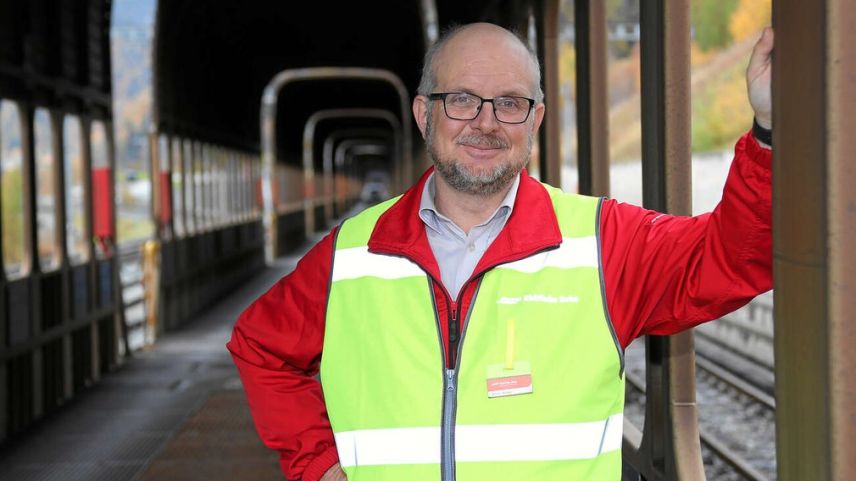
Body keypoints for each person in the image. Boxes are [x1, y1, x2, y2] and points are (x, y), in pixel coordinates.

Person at [227, 22, 774, 481]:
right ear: (424, 115)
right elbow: (259, 347)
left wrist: (769, 132)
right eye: (461, 99)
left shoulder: (603, 242)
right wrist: (320, 464)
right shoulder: (352, 253)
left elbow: (732, 256)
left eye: (510, 103)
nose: (486, 122)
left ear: (535, 121)